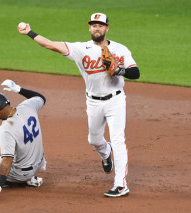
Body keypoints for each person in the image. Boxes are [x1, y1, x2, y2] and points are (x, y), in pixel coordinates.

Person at [18, 12, 140, 197]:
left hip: (115, 100)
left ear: (107, 27)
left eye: (100, 25)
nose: (96, 28)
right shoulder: (81, 49)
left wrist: (118, 70)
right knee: (94, 139)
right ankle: (106, 153)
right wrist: (30, 32)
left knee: (119, 140)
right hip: (93, 102)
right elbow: (50, 44)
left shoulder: (120, 49)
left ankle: (121, 184)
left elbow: (135, 73)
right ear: (89, 28)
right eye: (93, 25)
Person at [0, 79, 46, 197]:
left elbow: (7, 160)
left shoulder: (6, 128)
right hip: (40, 163)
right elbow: (41, 98)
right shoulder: (27, 106)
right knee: (9, 153)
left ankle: (19, 182)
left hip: (23, 173)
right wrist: (19, 89)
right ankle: (30, 177)